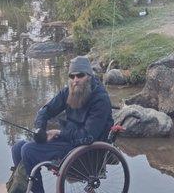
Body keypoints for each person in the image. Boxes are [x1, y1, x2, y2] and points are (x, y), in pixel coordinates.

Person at [9, 56, 113, 193]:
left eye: (80, 75)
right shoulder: (69, 91)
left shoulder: (100, 99)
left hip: (84, 149)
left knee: (28, 150)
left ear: (88, 76)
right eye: (72, 76)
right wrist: (39, 128)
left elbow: (88, 136)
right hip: (68, 141)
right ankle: (23, 187)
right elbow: (46, 110)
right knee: (17, 148)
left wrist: (59, 133)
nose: (75, 80)